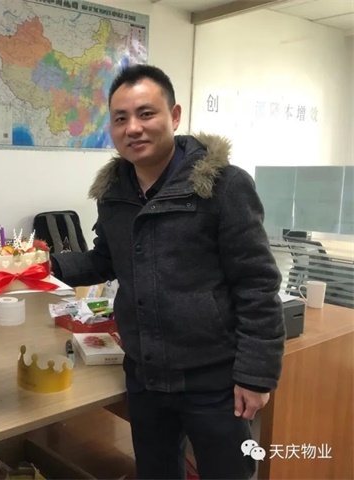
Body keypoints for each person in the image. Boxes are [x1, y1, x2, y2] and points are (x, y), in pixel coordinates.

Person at [51, 64, 286, 479]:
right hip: (145, 376)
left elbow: (257, 284)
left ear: (174, 116)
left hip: (214, 379)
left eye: (146, 113)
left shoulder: (224, 187)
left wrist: (256, 374)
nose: (133, 128)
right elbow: (106, 259)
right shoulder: (114, 193)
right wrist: (44, 265)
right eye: (121, 118)